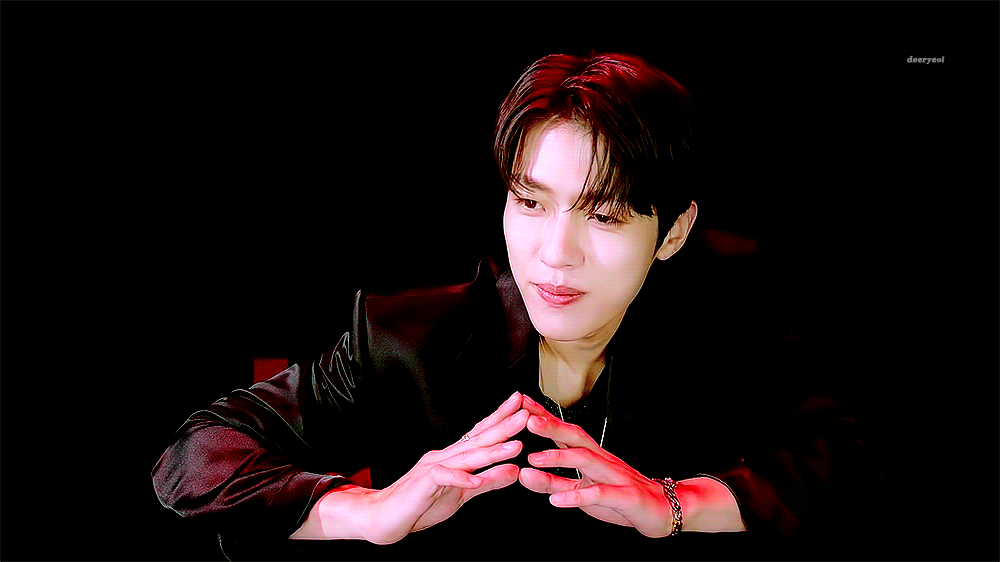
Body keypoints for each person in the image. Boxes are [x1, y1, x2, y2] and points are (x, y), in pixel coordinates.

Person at [152, 52, 880, 560]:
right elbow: (198, 454)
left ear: (673, 233)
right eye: (530, 202)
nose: (554, 254)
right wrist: (369, 512)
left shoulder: (724, 318)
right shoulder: (409, 341)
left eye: (604, 216)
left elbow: (843, 462)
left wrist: (675, 505)